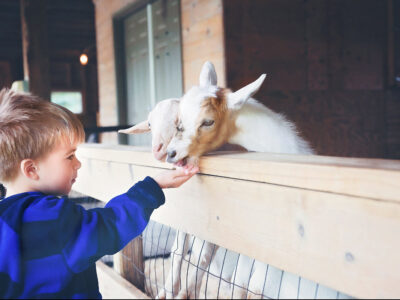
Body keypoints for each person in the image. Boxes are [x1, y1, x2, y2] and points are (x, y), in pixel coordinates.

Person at [0, 88, 198, 299]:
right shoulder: (51, 218)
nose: (78, 163)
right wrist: (152, 188)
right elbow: (109, 227)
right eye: (69, 156)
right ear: (31, 170)